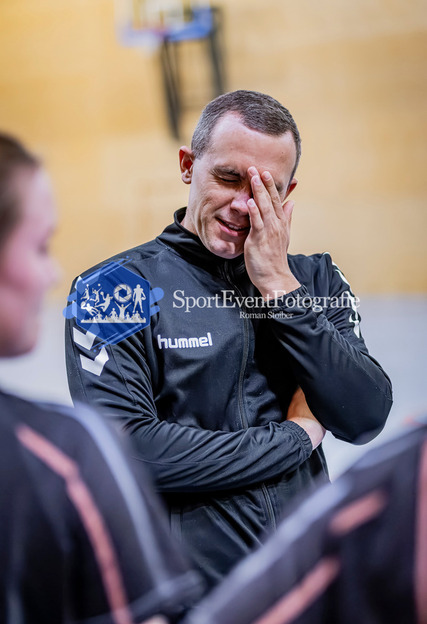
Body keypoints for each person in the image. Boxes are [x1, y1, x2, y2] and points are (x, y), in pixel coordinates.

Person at [65, 90, 393, 588]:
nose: (243, 205)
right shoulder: (111, 290)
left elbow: (364, 415)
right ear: (187, 165)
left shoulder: (314, 280)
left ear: (288, 192)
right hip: (193, 597)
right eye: (228, 177)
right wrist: (296, 437)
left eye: (266, 189)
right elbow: (132, 453)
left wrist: (280, 287)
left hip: (308, 585)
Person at [0, 134, 203, 623]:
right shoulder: (66, 454)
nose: (53, 274)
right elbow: (141, 446)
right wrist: (295, 437)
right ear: (189, 167)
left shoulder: (302, 281)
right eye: (41, 247)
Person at [180, 417, 427, 624]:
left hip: (279, 542)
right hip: (212, 569)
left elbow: (365, 415)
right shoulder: (393, 479)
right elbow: (156, 452)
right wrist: (297, 436)